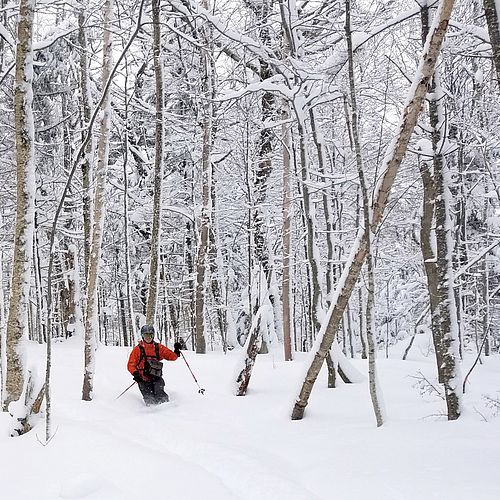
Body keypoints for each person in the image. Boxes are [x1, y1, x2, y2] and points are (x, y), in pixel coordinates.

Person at [127, 324, 182, 405]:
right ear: (142, 335)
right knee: (150, 400)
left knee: (162, 399)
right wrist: (136, 374)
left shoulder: (158, 347)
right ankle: (152, 415)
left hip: (156, 378)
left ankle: (168, 412)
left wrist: (176, 351)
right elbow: (131, 364)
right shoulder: (137, 349)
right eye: (146, 335)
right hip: (143, 380)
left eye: (150, 335)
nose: (148, 337)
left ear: (153, 335)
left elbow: (171, 356)